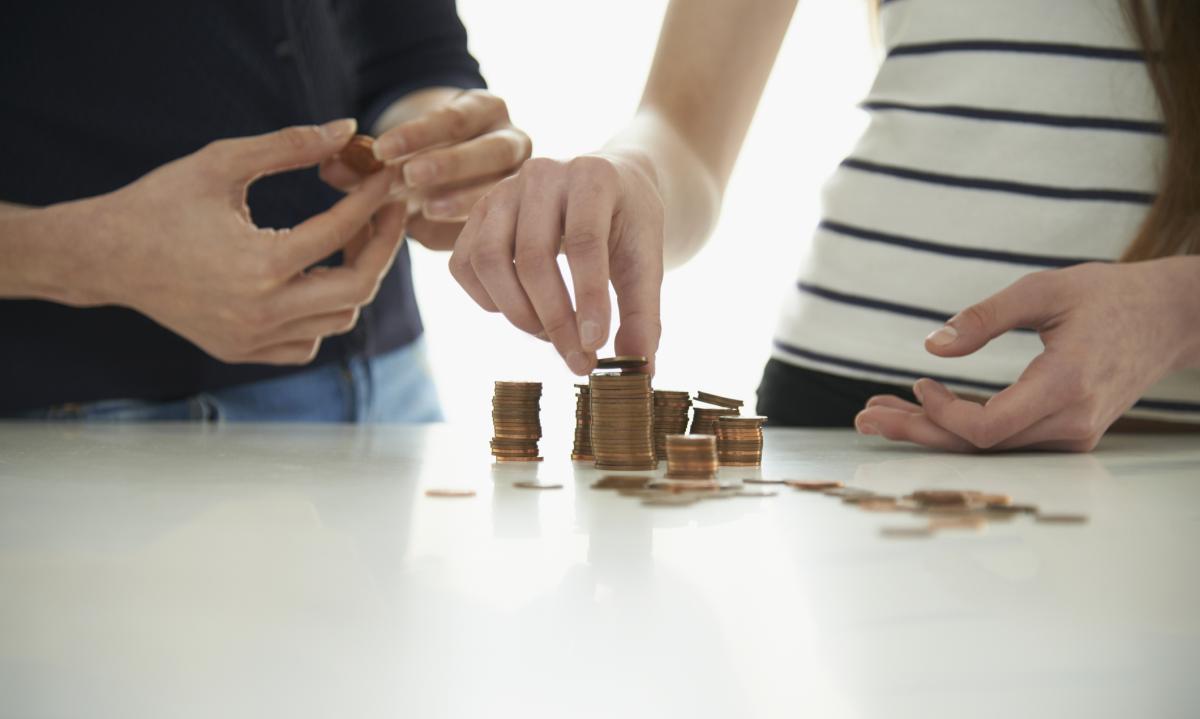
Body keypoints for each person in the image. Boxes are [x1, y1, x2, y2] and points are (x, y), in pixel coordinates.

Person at [447, 0, 1200, 452]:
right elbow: (684, 125)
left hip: (1158, 439)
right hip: (841, 405)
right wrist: (632, 175)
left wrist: (1178, 309)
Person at [0, 0, 530, 422]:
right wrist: (94, 256)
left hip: (392, 388)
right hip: (93, 417)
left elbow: (409, 49)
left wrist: (439, 136)